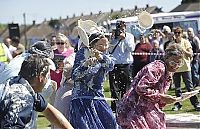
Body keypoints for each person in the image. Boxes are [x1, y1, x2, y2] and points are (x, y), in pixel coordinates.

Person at [116, 43, 185, 129]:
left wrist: (166, 100)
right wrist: (162, 97)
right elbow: (141, 88)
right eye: (173, 62)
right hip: (135, 108)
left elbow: (156, 96)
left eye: (179, 63)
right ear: (166, 58)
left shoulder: (168, 72)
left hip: (145, 108)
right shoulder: (158, 68)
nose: (175, 66)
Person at [0, 54, 73, 129]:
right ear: (41, 77)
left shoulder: (19, 83)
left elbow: (49, 111)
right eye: (48, 77)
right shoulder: (22, 98)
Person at [69, 32, 119, 129]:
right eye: (100, 45)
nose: (104, 48)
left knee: (111, 124)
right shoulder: (82, 53)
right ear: (92, 44)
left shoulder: (107, 56)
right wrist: (85, 65)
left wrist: (100, 57)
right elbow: (74, 76)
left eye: (106, 45)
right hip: (81, 98)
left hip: (98, 98)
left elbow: (110, 66)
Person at [108, 20, 135, 113]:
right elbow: (109, 49)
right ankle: (115, 108)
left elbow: (131, 48)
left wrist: (124, 39)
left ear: (125, 28)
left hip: (126, 65)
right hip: (114, 65)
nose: (120, 30)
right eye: (119, 28)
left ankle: (126, 107)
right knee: (114, 88)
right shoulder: (113, 37)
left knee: (126, 87)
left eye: (122, 28)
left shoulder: (130, 36)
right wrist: (115, 39)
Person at [172, 26, 200, 111]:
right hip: (176, 69)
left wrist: (182, 50)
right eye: (175, 33)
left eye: (179, 33)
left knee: (189, 87)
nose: (177, 34)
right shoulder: (172, 44)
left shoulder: (186, 42)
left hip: (185, 68)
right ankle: (178, 104)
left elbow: (191, 54)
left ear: (181, 33)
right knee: (177, 88)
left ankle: (196, 104)